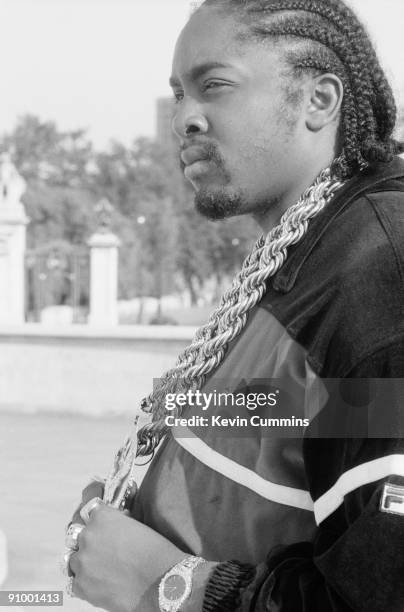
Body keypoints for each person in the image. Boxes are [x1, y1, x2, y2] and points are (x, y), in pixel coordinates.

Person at [65, 0, 404, 610]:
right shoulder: (305, 254)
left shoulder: (380, 270)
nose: (185, 120)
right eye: (178, 95)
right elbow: (291, 413)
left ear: (319, 101)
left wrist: (175, 587)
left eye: (214, 86)